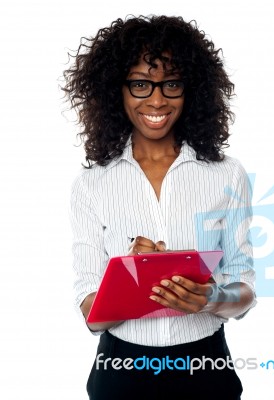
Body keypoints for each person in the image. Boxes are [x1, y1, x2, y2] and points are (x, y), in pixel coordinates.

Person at [63, 15, 257, 399]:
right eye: (140, 84)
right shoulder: (91, 184)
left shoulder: (227, 174)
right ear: (116, 90)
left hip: (205, 365)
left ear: (191, 90)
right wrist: (129, 280)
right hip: (122, 369)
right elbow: (90, 311)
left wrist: (212, 298)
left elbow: (245, 286)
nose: (156, 99)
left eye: (171, 84)